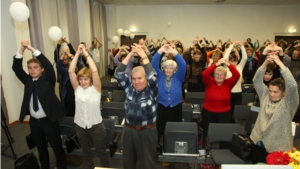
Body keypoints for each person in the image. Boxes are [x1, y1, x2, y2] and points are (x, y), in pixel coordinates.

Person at [12, 40, 66, 169]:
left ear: (41, 69)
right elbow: (16, 68)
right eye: (30, 68)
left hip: (49, 121)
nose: (32, 70)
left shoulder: (48, 79)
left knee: (57, 148)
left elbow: (47, 64)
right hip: (35, 122)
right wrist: (21, 50)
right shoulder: (28, 81)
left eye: (35, 67)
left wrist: (31, 48)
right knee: (41, 150)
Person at [250, 45, 299, 164]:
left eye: (275, 92)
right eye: (270, 91)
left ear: (284, 93)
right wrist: (265, 62)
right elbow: (256, 80)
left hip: (278, 147)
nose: (271, 94)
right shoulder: (265, 96)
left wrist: (279, 62)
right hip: (258, 142)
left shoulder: (288, 103)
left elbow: (292, 86)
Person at [114, 44, 158, 169]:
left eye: (140, 78)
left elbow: (152, 76)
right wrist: (130, 54)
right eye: (134, 79)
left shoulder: (152, 90)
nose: (136, 81)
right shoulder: (129, 88)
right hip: (128, 130)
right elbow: (119, 73)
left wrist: (143, 55)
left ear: (146, 79)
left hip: (146, 131)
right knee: (128, 163)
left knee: (147, 164)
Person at [68, 44, 109, 168]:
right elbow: (70, 71)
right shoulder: (77, 89)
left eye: (86, 79)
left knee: (102, 152)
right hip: (80, 126)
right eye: (80, 79)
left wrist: (85, 53)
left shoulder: (96, 89)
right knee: (86, 153)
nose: (82, 82)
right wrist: (76, 54)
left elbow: (95, 70)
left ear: (91, 80)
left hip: (96, 127)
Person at [151, 43, 186, 146]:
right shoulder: (159, 76)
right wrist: (160, 51)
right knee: (161, 128)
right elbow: (153, 64)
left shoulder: (178, 77)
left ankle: (172, 147)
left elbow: (183, 64)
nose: (168, 70)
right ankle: (161, 149)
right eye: (166, 68)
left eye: (171, 68)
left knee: (174, 129)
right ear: (163, 69)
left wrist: (173, 51)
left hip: (176, 107)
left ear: (174, 69)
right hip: (162, 106)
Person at [201, 58, 240, 139]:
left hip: (224, 113)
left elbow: (237, 75)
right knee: (207, 133)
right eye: (217, 74)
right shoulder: (209, 82)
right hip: (208, 112)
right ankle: (206, 149)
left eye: (221, 74)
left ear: (225, 76)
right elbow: (204, 74)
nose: (219, 76)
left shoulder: (229, 83)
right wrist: (216, 64)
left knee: (223, 134)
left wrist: (228, 64)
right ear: (214, 75)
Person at [223, 41, 247, 121]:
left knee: (235, 113)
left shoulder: (240, 67)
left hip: (238, 93)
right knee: (228, 111)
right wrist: (232, 45)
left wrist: (241, 46)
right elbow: (225, 57)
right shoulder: (226, 67)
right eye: (232, 61)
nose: (234, 63)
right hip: (228, 92)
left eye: (235, 61)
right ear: (229, 61)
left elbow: (245, 58)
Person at [56, 49, 83, 117]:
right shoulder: (66, 73)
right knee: (69, 116)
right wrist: (63, 54)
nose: (72, 67)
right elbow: (58, 66)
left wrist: (70, 55)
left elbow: (80, 65)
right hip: (68, 99)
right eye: (70, 65)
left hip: (79, 99)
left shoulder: (80, 73)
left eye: (74, 65)